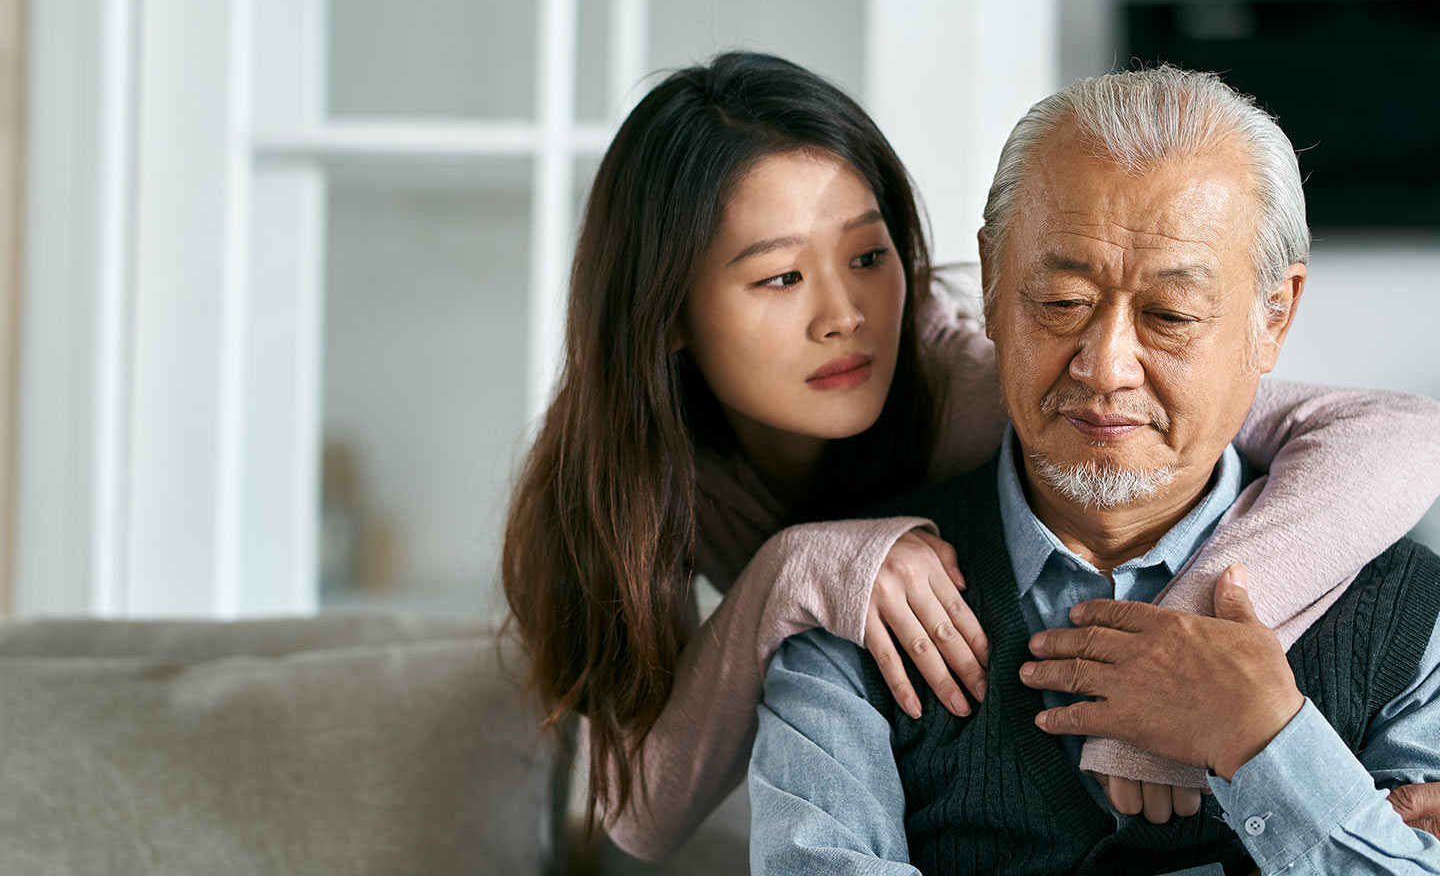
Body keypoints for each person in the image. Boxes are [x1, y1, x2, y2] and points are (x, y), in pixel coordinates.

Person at [501, 51, 1440, 860]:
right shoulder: (629, 472)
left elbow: (1389, 434)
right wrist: (797, 569)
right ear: (666, 309)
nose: (844, 315)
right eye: (781, 276)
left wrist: (1180, 657)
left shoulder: (989, 382)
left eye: (868, 257)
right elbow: (640, 810)